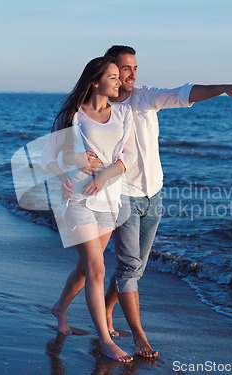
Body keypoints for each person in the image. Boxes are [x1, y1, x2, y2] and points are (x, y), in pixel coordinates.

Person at [48, 45, 232, 358]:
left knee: (119, 268)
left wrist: (223, 87)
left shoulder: (141, 99)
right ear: (106, 71)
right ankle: (128, 336)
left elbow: (183, 93)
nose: (129, 76)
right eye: (122, 70)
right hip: (115, 196)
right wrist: (67, 170)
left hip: (149, 192)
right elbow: (56, 151)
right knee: (111, 268)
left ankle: (79, 308)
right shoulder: (82, 112)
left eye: (133, 69)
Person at [41, 56, 137, 362]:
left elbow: (129, 158)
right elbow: (47, 156)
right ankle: (106, 341)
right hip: (76, 201)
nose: (119, 82)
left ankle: (59, 308)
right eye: (112, 77)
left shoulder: (123, 114)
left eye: (118, 77)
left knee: (85, 270)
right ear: (94, 81)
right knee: (97, 268)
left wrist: (103, 175)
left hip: (109, 200)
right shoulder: (72, 116)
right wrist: (66, 172)